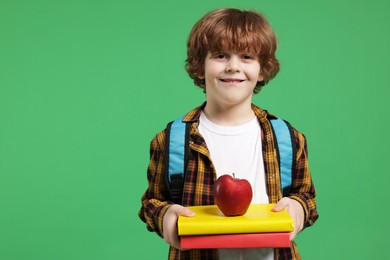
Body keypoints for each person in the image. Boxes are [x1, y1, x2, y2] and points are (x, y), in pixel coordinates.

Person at [138, 8, 318, 260]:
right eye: (221, 55)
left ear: (262, 69)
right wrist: (165, 216)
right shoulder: (172, 140)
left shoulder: (287, 138)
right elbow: (152, 202)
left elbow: (305, 195)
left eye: (247, 56)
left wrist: (299, 209)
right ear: (200, 66)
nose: (233, 67)